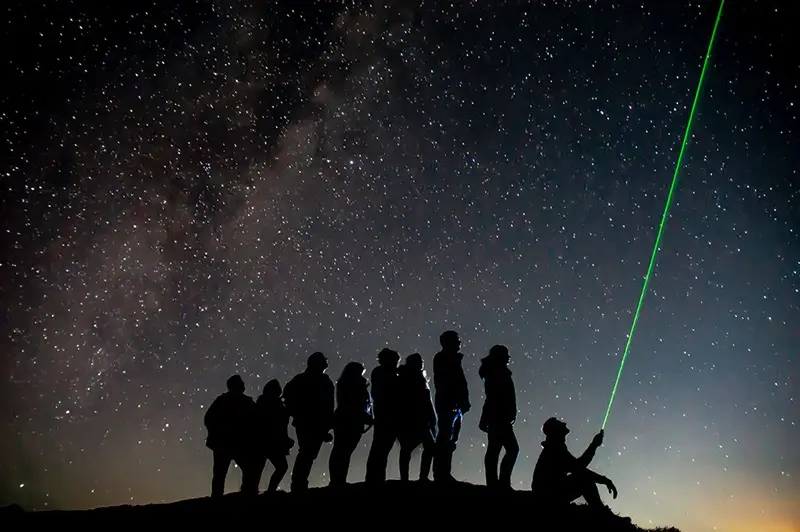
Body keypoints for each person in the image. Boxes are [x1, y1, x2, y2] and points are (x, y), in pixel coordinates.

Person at [532, 418, 623, 515]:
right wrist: (594, 445)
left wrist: (603, 479)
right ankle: (602, 515)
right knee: (585, 480)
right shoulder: (554, 449)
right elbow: (579, 467)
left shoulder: (555, 447)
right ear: (554, 430)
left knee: (584, 478)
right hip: (548, 497)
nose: (564, 422)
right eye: (559, 422)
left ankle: (601, 512)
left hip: (549, 493)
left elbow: (578, 467)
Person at [283, 352, 335, 492]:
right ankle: (298, 484)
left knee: (307, 453)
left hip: (306, 423)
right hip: (310, 423)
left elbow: (287, 396)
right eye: (324, 360)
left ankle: (298, 483)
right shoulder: (321, 381)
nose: (326, 362)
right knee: (307, 453)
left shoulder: (302, 379)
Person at [203, 374, 257, 497]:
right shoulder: (245, 402)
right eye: (241, 383)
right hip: (232, 443)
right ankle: (246, 495)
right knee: (244, 471)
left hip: (227, 443)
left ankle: (218, 499)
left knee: (220, 474)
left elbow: (208, 419)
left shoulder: (223, 400)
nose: (244, 385)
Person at [479, 345, 519, 490]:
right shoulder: (497, 372)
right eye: (506, 354)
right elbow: (495, 396)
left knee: (495, 449)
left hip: (497, 415)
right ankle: (501, 483)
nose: (509, 357)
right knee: (510, 449)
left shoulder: (495, 371)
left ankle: (495, 483)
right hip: (499, 415)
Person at [432, 330, 470, 483]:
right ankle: (441, 473)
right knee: (445, 437)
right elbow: (448, 382)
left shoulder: (450, 358)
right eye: (456, 340)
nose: (459, 342)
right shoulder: (443, 358)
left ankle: (443, 472)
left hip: (454, 404)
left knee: (451, 438)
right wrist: (457, 400)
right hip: (449, 403)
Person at [329, 361, 373, 486]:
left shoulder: (345, 384)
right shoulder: (354, 385)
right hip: (351, 420)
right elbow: (355, 404)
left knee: (342, 451)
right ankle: (338, 480)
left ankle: (338, 479)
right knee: (343, 451)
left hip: (347, 419)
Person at [397, 353, 436, 482]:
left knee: (424, 447)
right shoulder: (408, 378)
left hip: (422, 419)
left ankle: (418, 477)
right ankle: (410, 478)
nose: (422, 363)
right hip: (413, 418)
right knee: (410, 447)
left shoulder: (418, 378)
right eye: (419, 361)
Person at [365, 348, 402, 483]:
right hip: (386, 415)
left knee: (382, 448)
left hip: (385, 415)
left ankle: (376, 477)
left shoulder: (381, 373)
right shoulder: (382, 373)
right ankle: (375, 479)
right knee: (381, 447)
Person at [250, 379, 293, 493]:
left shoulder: (262, 404)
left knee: (258, 469)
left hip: (262, 442)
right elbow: (276, 425)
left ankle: (252, 492)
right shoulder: (275, 405)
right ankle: (270, 491)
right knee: (281, 467)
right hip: (271, 442)